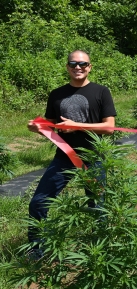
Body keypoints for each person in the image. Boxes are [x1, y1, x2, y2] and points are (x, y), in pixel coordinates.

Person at [27, 50, 117, 257]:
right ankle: (38, 249)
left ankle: (98, 252)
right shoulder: (56, 94)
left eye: (83, 64)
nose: (78, 67)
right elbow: (51, 126)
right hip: (64, 156)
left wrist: (76, 126)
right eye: (73, 64)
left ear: (90, 67)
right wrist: (38, 127)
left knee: (97, 206)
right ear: (67, 67)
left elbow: (109, 127)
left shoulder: (101, 92)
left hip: (93, 156)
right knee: (39, 202)